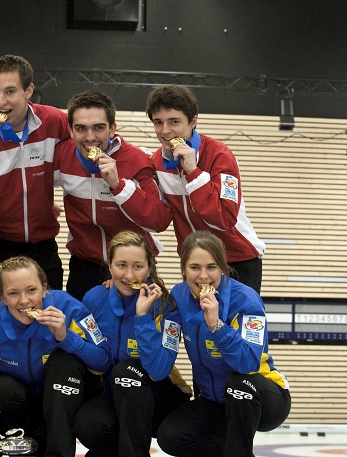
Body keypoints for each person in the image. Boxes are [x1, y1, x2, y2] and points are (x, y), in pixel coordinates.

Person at [156, 231, 290, 457]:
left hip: (262, 396)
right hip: (215, 400)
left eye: (211, 267)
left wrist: (217, 325)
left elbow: (248, 363)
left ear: (223, 268)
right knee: (171, 436)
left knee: (238, 383)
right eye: (195, 267)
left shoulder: (245, 299)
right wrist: (140, 312)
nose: (203, 276)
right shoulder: (179, 296)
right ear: (183, 269)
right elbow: (164, 347)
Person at [0, 256, 109, 457]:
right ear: (2, 298)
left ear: (45, 288)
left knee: (64, 361)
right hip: (22, 404)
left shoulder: (68, 308)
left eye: (32, 290)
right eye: (13, 293)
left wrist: (66, 337)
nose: (24, 301)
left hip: (63, 401)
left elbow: (104, 361)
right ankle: (18, 447)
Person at [0, 55, 71, 306]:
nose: (1, 101)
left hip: (42, 245)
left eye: (10, 91)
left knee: (49, 321)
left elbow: (92, 141)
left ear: (28, 90)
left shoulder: (54, 122)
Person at [73, 231, 191, 457]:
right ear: (110, 267)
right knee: (89, 424)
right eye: (121, 265)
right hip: (115, 395)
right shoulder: (94, 299)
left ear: (149, 267)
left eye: (138, 266)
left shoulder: (166, 306)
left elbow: (159, 370)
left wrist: (143, 316)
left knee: (125, 370)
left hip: (160, 396)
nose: (129, 275)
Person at [146, 84, 264, 293]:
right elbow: (159, 220)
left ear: (193, 121)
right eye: (158, 122)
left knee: (236, 325)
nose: (165, 131)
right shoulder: (157, 162)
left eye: (174, 121)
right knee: (199, 325)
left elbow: (225, 218)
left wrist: (194, 173)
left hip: (237, 260)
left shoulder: (220, 155)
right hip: (195, 263)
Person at [54, 90, 170, 301]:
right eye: (81, 128)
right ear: (70, 130)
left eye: (98, 128)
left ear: (112, 129)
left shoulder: (137, 160)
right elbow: (30, 185)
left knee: (135, 330)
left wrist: (118, 185)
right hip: (85, 265)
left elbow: (160, 220)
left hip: (134, 266)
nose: (90, 138)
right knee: (80, 331)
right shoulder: (61, 156)